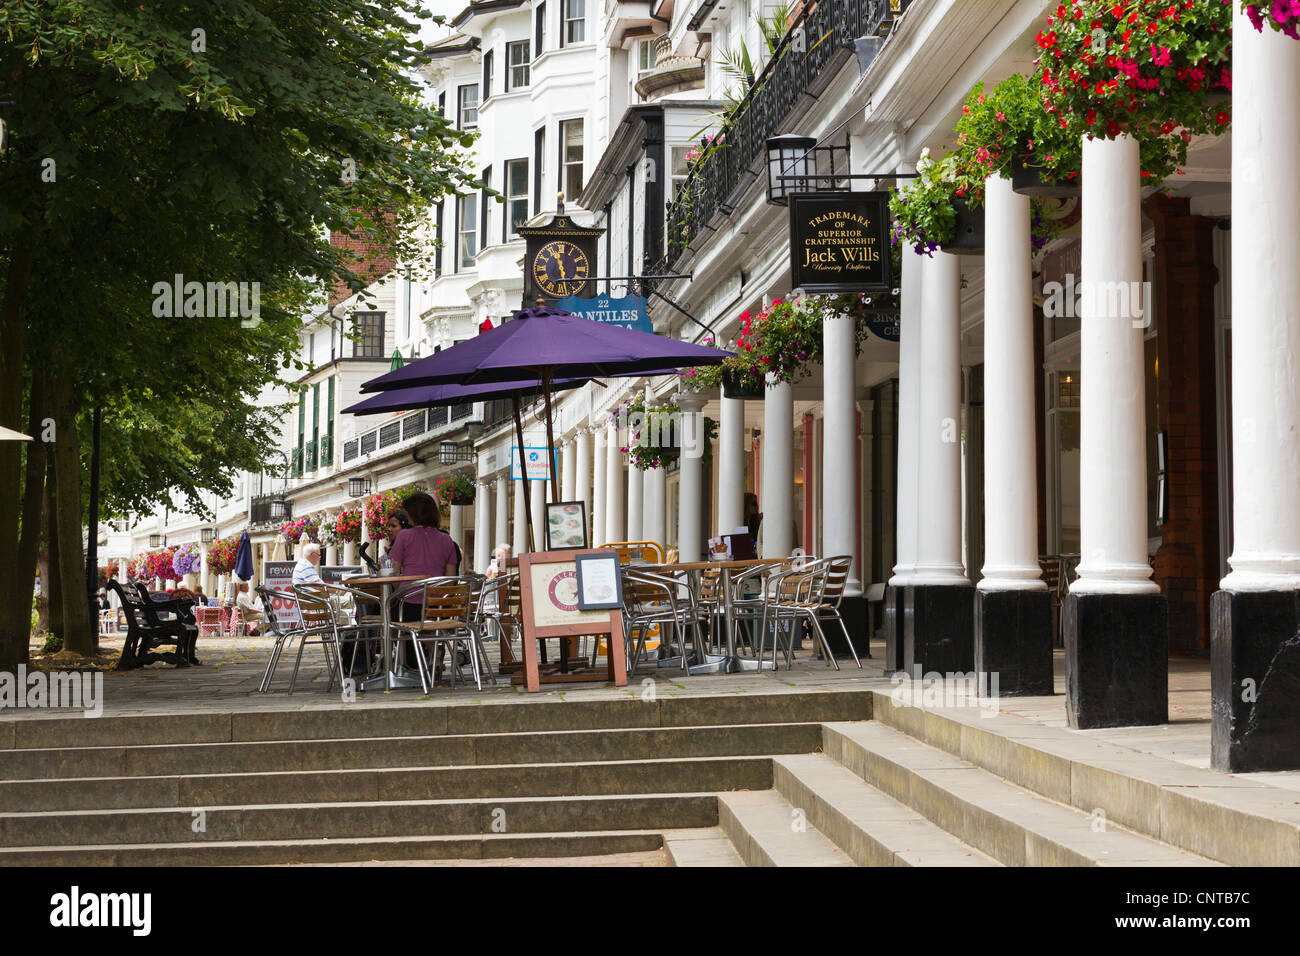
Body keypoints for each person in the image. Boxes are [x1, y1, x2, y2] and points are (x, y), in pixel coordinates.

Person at [389, 492, 459, 674]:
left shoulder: (404, 537)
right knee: (426, 620)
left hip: (410, 606)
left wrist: (403, 592)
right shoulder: (447, 540)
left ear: (413, 515)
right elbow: (450, 580)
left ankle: (398, 665)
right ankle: (432, 648)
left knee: (389, 619)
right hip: (439, 608)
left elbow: (394, 573)